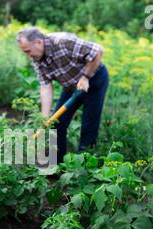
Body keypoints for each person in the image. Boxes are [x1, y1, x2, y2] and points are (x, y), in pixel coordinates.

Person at [16, 27, 109, 163]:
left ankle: (86, 166)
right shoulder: (37, 59)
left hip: (94, 79)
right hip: (72, 86)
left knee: (89, 126)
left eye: (28, 51)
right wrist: (45, 118)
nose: (28, 55)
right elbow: (46, 87)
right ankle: (57, 165)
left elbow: (98, 51)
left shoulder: (62, 42)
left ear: (38, 42)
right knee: (55, 124)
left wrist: (85, 77)